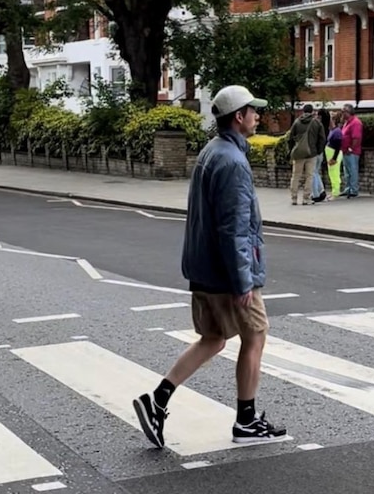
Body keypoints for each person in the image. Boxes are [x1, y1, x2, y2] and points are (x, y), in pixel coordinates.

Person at [133, 84, 288, 449]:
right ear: (239, 117)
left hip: (204, 269)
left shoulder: (211, 152)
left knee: (214, 339)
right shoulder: (233, 162)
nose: (258, 116)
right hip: (226, 274)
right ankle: (246, 421)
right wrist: (243, 282)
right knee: (256, 336)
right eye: (254, 111)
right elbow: (232, 228)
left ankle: (158, 399)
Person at [287, 104, 326, 206]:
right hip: (311, 153)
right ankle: (306, 198)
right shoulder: (316, 123)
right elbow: (322, 138)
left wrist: (291, 150)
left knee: (296, 176)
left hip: (299, 153)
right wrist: (318, 150)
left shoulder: (297, 122)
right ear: (312, 111)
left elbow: (290, 138)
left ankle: (294, 198)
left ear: (303, 111)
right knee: (309, 176)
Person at [340, 104, 363, 198]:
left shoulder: (355, 123)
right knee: (347, 171)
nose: (342, 113)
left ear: (348, 112)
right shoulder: (347, 122)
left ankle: (353, 189)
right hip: (345, 151)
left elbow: (356, 138)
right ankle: (348, 188)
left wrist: (350, 148)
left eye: (343, 111)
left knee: (352, 170)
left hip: (352, 152)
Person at [325, 112, 344, 199]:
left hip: (334, 155)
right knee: (332, 173)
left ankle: (336, 192)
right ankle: (334, 191)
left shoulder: (337, 131)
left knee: (334, 173)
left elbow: (338, 146)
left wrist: (334, 158)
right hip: (331, 154)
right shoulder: (332, 130)